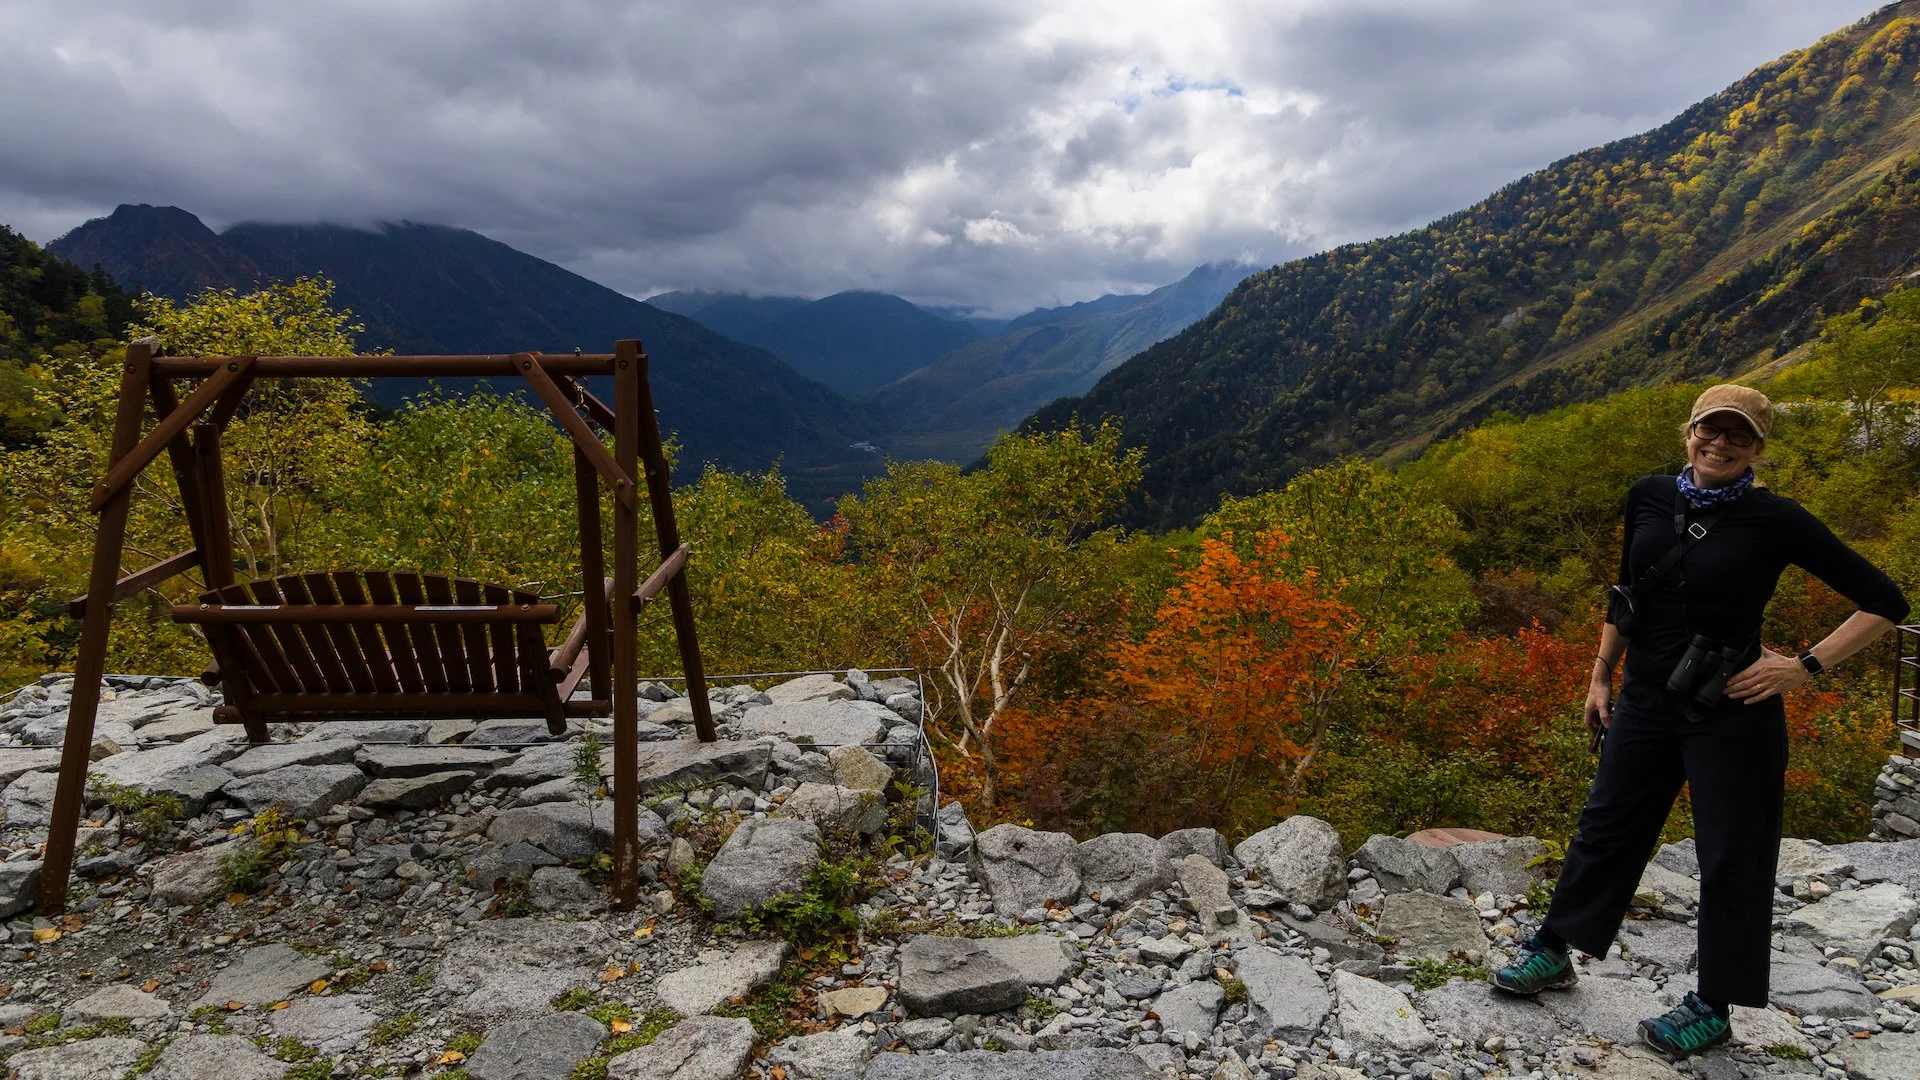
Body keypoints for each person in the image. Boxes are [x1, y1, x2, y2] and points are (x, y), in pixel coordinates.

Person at [1488, 384, 1910, 1056]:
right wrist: (1601, 675)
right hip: (1648, 695)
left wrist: (1803, 666)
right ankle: (1554, 948)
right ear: (1688, 431)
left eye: (1735, 436)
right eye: (1708, 431)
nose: (1718, 444)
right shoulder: (1649, 496)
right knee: (1607, 826)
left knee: (1732, 856)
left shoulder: (1777, 520)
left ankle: (1713, 1005)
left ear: (1757, 448)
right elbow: (1629, 592)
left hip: (1733, 707)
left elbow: (1886, 600)